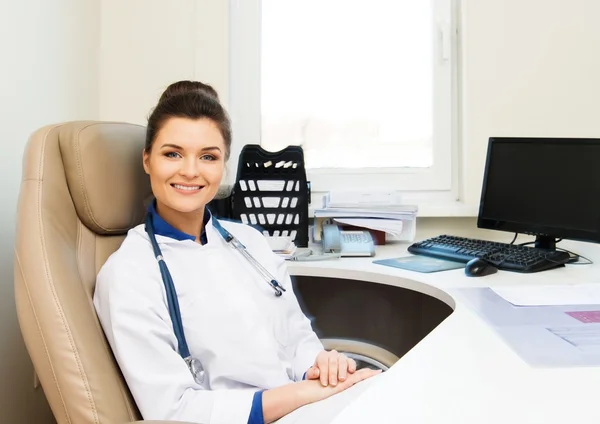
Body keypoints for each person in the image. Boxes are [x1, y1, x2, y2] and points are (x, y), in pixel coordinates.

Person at [93, 82, 380, 424]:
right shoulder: (129, 273)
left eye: (208, 156)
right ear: (147, 159)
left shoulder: (250, 242)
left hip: (304, 407)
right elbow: (172, 410)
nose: (190, 171)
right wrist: (304, 394)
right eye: (172, 153)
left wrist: (319, 367)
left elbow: (296, 337)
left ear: (223, 165)